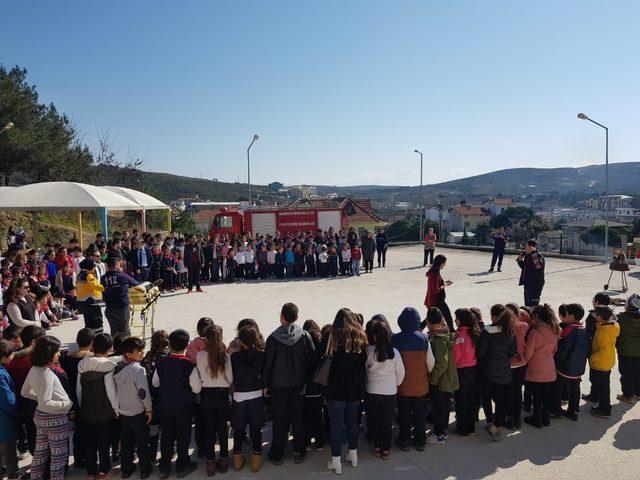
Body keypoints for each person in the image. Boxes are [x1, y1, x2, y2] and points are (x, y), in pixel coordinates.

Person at [262, 303, 314, 466]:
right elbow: (311, 360)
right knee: (298, 421)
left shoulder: (272, 338)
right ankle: (299, 451)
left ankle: (277, 453)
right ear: (297, 318)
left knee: (280, 422)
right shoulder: (304, 335)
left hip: (278, 389)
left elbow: (267, 365)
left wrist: (265, 385)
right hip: (299, 387)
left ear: (281, 316)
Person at [20, 336, 72, 480]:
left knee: (40, 453)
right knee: (58, 456)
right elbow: (46, 402)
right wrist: (66, 404)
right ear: (49, 354)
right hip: (55, 419)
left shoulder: (33, 369)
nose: (59, 354)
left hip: (40, 417)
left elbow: (24, 392)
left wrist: (39, 396)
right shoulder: (48, 374)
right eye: (57, 351)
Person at [152, 329, 201, 479]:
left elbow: (155, 383)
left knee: (167, 436)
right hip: (183, 407)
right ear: (187, 345)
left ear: (170, 344)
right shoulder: (189, 365)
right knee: (183, 436)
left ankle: (164, 467)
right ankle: (182, 465)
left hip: (165, 406)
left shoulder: (162, 363)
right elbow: (197, 388)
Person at [324, 308, 367, 475]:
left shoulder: (332, 336)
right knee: (352, 422)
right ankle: (353, 455)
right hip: (355, 389)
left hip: (335, 389)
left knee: (336, 425)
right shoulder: (361, 337)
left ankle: (336, 461)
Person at [392, 307, 435, 452]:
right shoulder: (424, 339)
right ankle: (420, 441)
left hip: (403, 386)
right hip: (420, 386)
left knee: (404, 414)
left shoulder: (395, 339)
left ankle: (404, 440)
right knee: (419, 414)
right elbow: (431, 363)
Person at [77, 333, 119, 480]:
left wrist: (82, 405)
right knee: (104, 442)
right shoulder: (110, 366)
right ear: (110, 348)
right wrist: (116, 410)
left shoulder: (82, 364)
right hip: (105, 412)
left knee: (90, 442)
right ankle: (104, 471)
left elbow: (79, 389)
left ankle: (90, 472)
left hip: (88, 411)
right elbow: (111, 392)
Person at [195, 325, 233, 476]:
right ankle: (223, 460)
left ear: (205, 339)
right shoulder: (225, 356)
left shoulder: (200, 355)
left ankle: (210, 462)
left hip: (206, 395)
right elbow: (230, 379)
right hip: (222, 395)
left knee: (209, 430)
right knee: (222, 429)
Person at [113, 337, 153, 480]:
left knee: (126, 443)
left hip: (123, 411)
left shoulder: (116, 367)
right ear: (128, 354)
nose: (142, 353)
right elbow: (143, 393)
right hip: (137, 412)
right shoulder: (138, 370)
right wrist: (149, 409)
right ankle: (144, 470)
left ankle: (126, 470)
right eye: (138, 351)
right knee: (142, 443)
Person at [476, 305, 517, 442]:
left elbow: (480, 352)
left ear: (493, 317)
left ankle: (490, 421)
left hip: (488, 371)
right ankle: (499, 422)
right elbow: (512, 352)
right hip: (504, 371)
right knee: (500, 399)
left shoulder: (487, 332)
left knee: (486, 397)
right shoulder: (510, 332)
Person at [58, 328, 95, 469]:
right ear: (92, 342)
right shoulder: (92, 358)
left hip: (71, 397)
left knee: (78, 430)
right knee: (89, 430)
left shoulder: (65, 358)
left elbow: (65, 355)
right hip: (88, 398)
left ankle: (79, 458)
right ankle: (89, 457)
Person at [230, 326, 265, 473]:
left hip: (239, 395)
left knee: (238, 428)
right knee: (256, 429)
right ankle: (256, 459)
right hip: (256, 394)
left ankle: (237, 459)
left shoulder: (235, 357)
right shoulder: (262, 355)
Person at [523, 304, 560, 428]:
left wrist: (525, 361)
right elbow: (555, 350)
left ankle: (536, 418)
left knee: (536, 396)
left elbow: (528, 353)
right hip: (549, 367)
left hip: (535, 368)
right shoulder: (555, 330)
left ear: (537, 316)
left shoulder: (534, 332)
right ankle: (546, 418)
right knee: (547, 395)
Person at [426, 308, 459, 444]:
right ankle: (442, 431)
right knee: (444, 406)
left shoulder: (438, 340)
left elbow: (442, 363)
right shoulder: (447, 334)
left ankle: (439, 434)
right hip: (448, 378)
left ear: (428, 322)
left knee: (440, 408)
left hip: (441, 380)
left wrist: (433, 379)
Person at [553, 303, 589, 421]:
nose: (565, 315)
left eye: (567, 314)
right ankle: (573, 411)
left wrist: (558, 359)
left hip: (565, 367)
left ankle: (556, 410)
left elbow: (564, 349)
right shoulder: (583, 328)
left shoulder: (569, 330)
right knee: (575, 388)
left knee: (557, 387)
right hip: (578, 367)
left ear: (572, 316)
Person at [141, 330, 169, 463]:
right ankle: (168, 452)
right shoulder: (165, 358)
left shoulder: (147, 357)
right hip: (163, 397)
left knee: (153, 428)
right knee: (167, 429)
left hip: (150, 397)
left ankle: (151, 453)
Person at [588, 306, 620, 419]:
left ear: (600, 317)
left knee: (602, 388)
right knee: (603, 386)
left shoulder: (603, 333)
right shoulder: (612, 327)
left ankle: (605, 409)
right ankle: (601, 404)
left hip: (600, 363)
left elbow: (603, 349)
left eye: (596, 315)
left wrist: (592, 357)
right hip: (607, 361)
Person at [452, 308, 480, 437]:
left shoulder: (460, 336)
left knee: (461, 400)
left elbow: (456, 356)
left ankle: (463, 428)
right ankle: (471, 426)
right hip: (472, 369)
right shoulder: (473, 333)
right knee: (470, 398)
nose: (455, 320)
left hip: (461, 371)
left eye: (456, 318)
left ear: (461, 320)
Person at [101, 257, 142, 337]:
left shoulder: (103, 278)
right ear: (116, 266)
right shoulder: (123, 276)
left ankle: (116, 347)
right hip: (122, 308)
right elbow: (136, 284)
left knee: (114, 332)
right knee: (124, 332)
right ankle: (125, 348)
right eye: (120, 265)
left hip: (109, 308)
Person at [504, 303, 530, 430]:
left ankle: (510, 417)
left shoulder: (504, 327)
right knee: (518, 390)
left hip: (508, 364)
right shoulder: (524, 326)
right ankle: (517, 417)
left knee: (508, 392)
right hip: (521, 363)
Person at [0, 339, 20, 480]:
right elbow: (8, 400)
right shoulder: (1, 376)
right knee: (9, 450)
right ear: (4, 358)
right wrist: (18, 412)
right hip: (4, 421)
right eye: (12, 355)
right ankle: (14, 474)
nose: (14, 356)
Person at [616, 294, 640, 403]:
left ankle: (628, 395)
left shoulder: (621, 317)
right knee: (637, 372)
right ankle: (637, 393)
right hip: (638, 352)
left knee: (626, 374)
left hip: (625, 351)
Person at [424, 255, 455, 332]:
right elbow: (435, 290)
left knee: (431, 318)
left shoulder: (434, 271)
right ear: (441, 263)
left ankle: (419, 329)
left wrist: (444, 282)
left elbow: (436, 284)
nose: (445, 265)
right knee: (447, 316)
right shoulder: (435, 273)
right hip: (437, 300)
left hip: (435, 299)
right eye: (444, 263)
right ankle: (452, 331)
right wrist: (444, 285)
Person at [76, 258, 105, 333]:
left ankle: (89, 337)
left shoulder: (80, 275)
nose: (94, 268)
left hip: (82, 301)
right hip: (91, 300)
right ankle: (98, 336)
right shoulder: (89, 275)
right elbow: (95, 286)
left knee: (88, 320)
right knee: (97, 319)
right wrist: (105, 287)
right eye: (94, 266)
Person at [516, 240, 545, 307]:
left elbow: (538, 266)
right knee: (527, 305)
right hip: (528, 283)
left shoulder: (538, 255)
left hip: (535, 284)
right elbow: (524, 267)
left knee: (533, 305)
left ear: (531, 247)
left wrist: (533, 253)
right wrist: (520, 260)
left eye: (526, 246)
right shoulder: (528, 256)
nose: (525, 248)